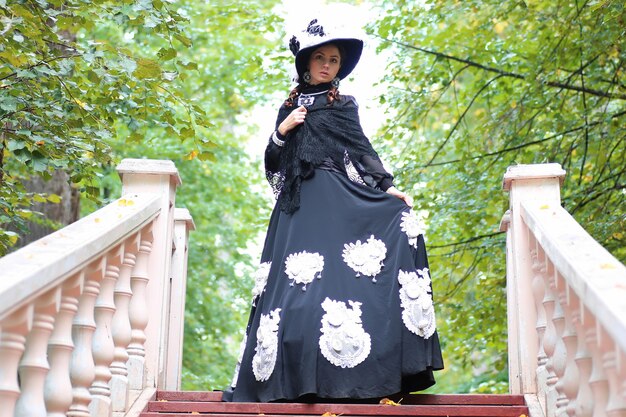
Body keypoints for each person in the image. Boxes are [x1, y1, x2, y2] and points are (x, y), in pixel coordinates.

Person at [222, 19, 443, 403]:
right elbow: (273, 161)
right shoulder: (288, 107)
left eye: (334, 60)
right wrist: (283, 130)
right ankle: (294, 382)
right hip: (297, 208)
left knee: (346, 282)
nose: (327, 65)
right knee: (297, 298)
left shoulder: (344, 105)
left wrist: (390, 188)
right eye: (320, 58)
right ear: (306, 63)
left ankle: (357, 378)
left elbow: (361, 150)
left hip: (337, 200)